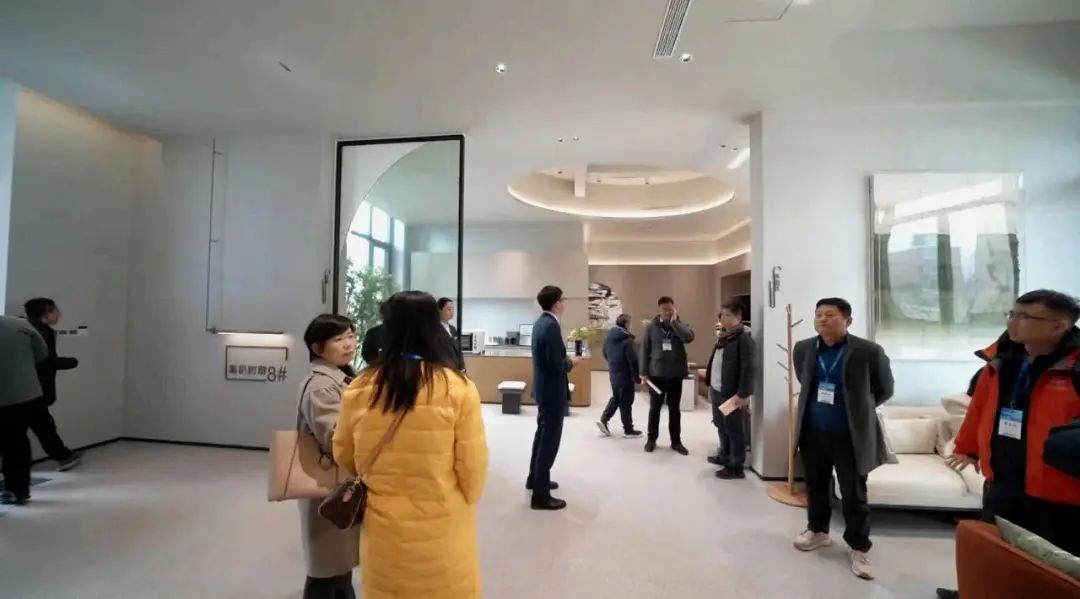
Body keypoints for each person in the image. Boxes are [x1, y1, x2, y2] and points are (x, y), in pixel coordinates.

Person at [333, 291, 488, 599]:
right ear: (433, 328)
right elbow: (472, 469)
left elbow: (344, 454)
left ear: (387, 329)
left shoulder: (361, 387)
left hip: (383, 530)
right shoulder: (457, 388)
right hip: (443, 526)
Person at [946, 290, 1080, 555]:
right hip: (1002, 481)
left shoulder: (1074, 369)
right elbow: (979, 407)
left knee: (1050, 564)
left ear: (1058, 327)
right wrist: (967, 447)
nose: (1013, 322)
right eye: (1012, 314)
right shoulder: (1001, 360)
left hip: (1057, 491)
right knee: (994, 553)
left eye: (1025, 317)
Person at [791, 298, 893, 581]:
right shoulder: (804, 348)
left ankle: (859, 546)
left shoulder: (868, 351)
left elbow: (884, 389)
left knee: (853, 493)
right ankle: (818, 530)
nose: (822, 319)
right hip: (813, 432)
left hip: (850, 436)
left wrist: (859, 409)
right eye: (818, 314)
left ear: (848, 321)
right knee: (815, 485)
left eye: (830, 315)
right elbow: (804, 380)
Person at [297, 314, 360, 599]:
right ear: (318, 347)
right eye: (338, 339)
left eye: (351, 336)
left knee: (338, 564)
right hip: (327, 483)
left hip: (337, 482)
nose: (349, 344)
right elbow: (335, 437)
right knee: (325, 567)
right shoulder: (322, 386)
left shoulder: (340, 375)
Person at [527, 285, 583, 510]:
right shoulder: (551, 326)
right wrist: (571, 362)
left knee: (541, 436)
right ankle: (540, 496)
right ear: (557, 303)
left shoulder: (541, 322)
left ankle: (535, 479)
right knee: (549, 442)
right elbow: (556, 364)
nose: (565, 303)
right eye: (563, 299)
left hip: (543, 389)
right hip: (552, 391)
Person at [23, 298, 82, 471]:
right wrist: (68, 362)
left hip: (28, 389)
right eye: (56, 310)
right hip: (31, 389)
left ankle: (63, 456)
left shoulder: (32, 329)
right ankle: (63, 457)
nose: (59, 313)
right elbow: (42, 360)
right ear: (46, 313)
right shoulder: (37, 332)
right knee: (42, 426)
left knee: (42, 425)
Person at [0, 315, 49, 505]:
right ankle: (18, 490)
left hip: (7, 396)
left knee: (12, 442)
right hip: (26, 394)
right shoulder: (20, 324)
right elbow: (41, 355)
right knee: (16, 442)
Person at [704, 300, 755, 479]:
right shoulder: (725, 336)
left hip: (732, 394)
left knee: (734, 429)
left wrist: (743, 394)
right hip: (718, 389)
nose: (723, 318)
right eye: (722, 314)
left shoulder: (744, 339)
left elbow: (748, 368)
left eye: (727, 315)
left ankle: (736, 466)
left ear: (738, 317)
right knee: (720, 424)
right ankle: (725, 456)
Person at [640, 296, 695, 455]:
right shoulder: (651, 327)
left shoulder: (680, 325)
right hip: (656, 375)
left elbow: (689, 338)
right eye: (664, 309)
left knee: (674, 409)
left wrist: (674, 323)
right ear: (659, 310)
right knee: (655, 409)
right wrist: (643, 372)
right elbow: (644, 349)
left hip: (675, 374)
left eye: (670, 309)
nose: (667, 312)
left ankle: (676, 441)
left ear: (674, 309)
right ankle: (651, 439)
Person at [596, 314, 642, 438]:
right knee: (626, 401)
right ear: (626, 324)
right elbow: (632, 361)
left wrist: (613, 363)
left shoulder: (609, 337)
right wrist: (637, 377)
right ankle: (628, 430)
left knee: (617, 397)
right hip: (625, 375)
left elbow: (605, 353)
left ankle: (604, 419)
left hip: (614, 373)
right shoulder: (627, 340)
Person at [438, 297, 466, 371]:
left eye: (453, 309)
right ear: (439, 310)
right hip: (443, 370)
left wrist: (463, 367)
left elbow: (459, 350)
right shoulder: (434, 330)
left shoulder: (453, 329)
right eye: (449, 309)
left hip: (457, 369)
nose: (452, 312)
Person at [359, 301, 388, 366]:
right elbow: (367, 354)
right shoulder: (373, 332)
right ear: (381, 315)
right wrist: (379, 360)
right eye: (385, 312)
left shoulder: (408, 332)